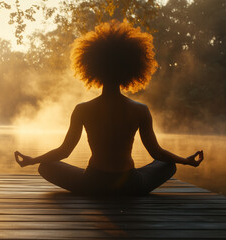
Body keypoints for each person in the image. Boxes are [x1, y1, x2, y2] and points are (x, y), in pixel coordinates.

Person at [14, 20, 204, 196]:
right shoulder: (140, 110)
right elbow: (157, 153)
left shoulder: (82, 109)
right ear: (131, 71)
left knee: (45, 166)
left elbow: (64, 151)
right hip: (131, 185)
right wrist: (186, 160)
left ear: (92, 69)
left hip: (92, 184)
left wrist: (32, 160)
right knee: (169, 165)